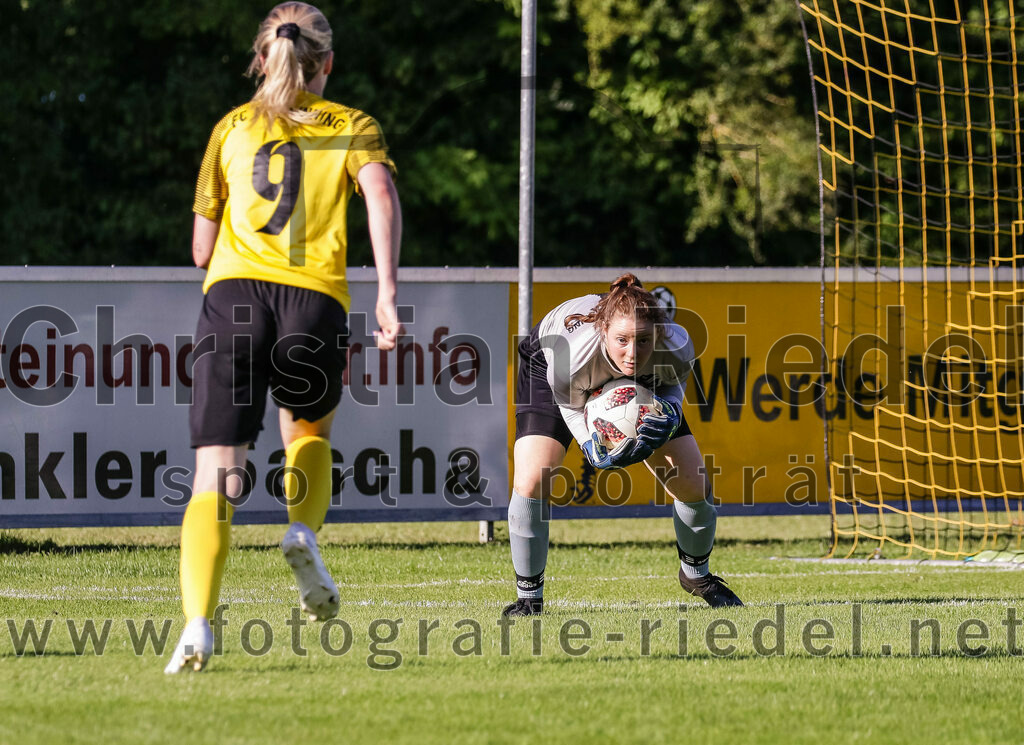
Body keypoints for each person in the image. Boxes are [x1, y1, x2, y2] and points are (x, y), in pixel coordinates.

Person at [165, 1, 403, 673]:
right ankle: (301, 529)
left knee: (217, 470)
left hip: (235, 296)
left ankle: (197, 625)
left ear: (261, 58)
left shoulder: (231, 128)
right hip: (314, 300)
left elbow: (199, 246)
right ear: (326, 63)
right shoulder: (354, 125)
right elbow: (380, 195)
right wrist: (387, 292)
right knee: (308, 436)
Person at [503, 273, 742, 616]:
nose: (632, 353)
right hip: (548, 362)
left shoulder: (677, 343)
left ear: (658, 335)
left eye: (643, 341)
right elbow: (571, 406)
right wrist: (590, 446)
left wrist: (672, 415)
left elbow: (674, 385)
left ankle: (696, 577)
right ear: (604, 332)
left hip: (633, 382)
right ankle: (529, 598)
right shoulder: (572, 356)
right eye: (623, 340)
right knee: (533, 479)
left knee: (693, 483)